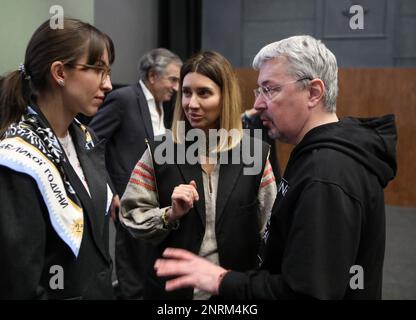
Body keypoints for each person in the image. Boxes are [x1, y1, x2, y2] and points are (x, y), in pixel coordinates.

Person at [153, 35, 398, 300]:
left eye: (269, 89)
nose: (257, 104)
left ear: (314, 93)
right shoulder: (315, 157)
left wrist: (221, 280)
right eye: (259, 91)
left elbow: (304, 294)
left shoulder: (326, 175)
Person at [119, 51, 277, 300]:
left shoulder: (254, 154)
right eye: (186, 92)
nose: (192, 104)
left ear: (225, 97)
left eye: (204, 93)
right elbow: (131, 215)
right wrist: (169, 214)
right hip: (172, 295)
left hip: (235, 293)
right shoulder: (160, 151)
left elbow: (271, 227)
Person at [0, 18, 117, 299]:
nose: (109, 84)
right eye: (98, 71)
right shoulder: (17, 157)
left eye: (108, 72)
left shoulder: (84, 138)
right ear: (60, 72)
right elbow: (20, 281)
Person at [88, 48, 182, 299]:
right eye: (173, 79)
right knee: (133, 269)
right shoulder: (124, 99)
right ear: (153, 75)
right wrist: (111, 190)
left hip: (157, 200)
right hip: (129, 198)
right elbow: (92, 143)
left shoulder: (166, 107)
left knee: (150, 267)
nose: (176, 87)